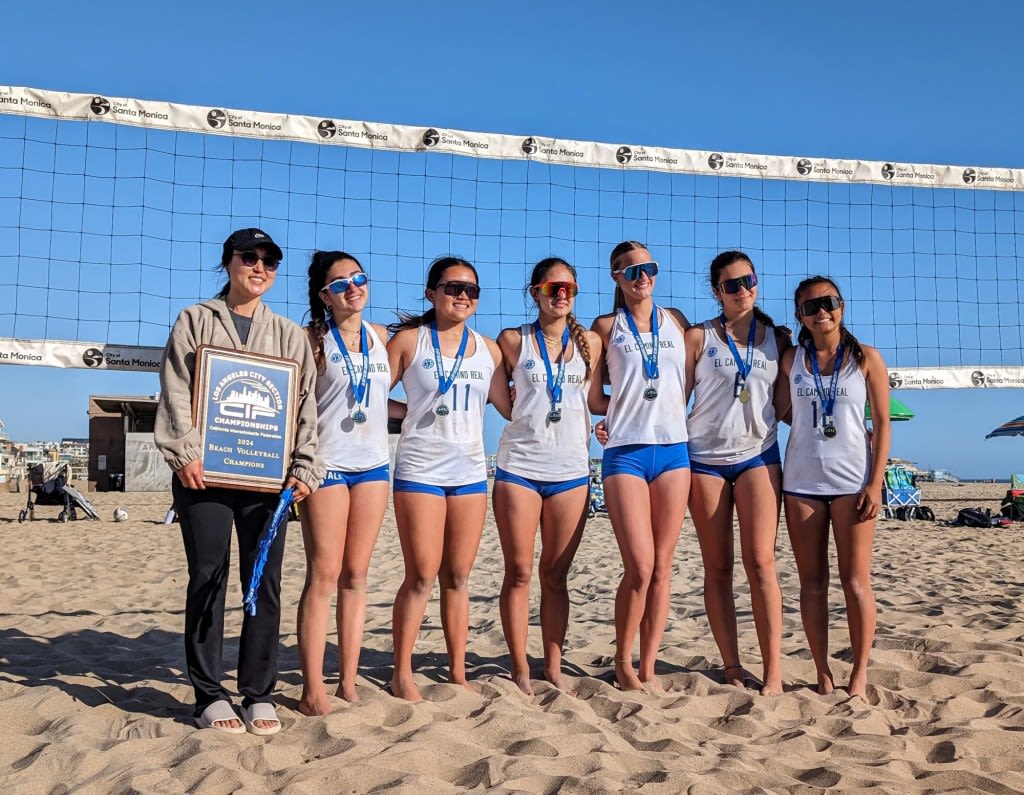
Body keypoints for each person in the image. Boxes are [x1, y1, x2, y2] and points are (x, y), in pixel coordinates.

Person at [154, 228, 323, 735]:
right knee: (208, 576)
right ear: (228, 262)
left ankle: (258, 693)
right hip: (203, 474)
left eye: (270, 261)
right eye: (249, 257)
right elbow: (174, 389)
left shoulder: (290, 335)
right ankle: (208, 694)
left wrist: (304, 466)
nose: (260, 267)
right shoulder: (194, 320)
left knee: (262, 583)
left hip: (266, 480)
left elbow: (305, 408)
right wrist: (183, 452)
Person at [386, 256, 512, 701]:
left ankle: (457, 671)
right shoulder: (408, 342)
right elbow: (364, 393)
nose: (462, 296)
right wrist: (408, 413)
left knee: (458, 576)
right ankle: (402, 673)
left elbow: (510, 407)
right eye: (453, 287)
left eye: (471, 290)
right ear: (431, 293)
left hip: (470, 472)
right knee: (421, 574)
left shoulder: (488, 349)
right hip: (420, 468)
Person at [774, 275, 890, 697]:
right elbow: (783, 413)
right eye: (811, 306)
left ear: (841, 306)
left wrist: (875, 484)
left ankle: (858, 673)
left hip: (852, 482)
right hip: (802, 482)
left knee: (855, 581)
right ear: (799, 315)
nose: (822, 311)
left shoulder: (867, 359)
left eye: (829, 302)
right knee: (811, 583)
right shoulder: (791, 360)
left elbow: (883, 424)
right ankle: (822, 672)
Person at [684, 250, 791, 695]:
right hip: (704, 459)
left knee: (762, 564)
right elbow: (674, 400)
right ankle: (731, 665)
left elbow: (787, 407)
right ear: (716, 292)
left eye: (748, 281)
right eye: (731, 285)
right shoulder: (698, 337)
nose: (742, 289)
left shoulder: (778, 339)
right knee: (718, 568)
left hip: (758, 455)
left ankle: (773, 672)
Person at [493, 257, 601, 695]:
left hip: (571, 470)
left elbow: (596, 401)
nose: (561, 294)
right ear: (535, 290)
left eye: (569, 288)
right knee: (519, 572)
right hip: (520, 467)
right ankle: (520, 667)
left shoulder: (591, 341)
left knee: (556, 574)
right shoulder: (513, 340)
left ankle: (552, 666)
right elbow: (502, 401)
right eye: (553, 287)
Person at [589, 240, 690, 692]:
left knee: (663, 567)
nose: (641, 276)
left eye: (648, 267)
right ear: (616, 278)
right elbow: (594, 398)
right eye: (631, 271)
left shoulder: (678, 322)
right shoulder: (606, 326)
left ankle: (648, 665)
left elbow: (695, 383)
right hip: (626, 451)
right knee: (640, 566)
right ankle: (622, 659)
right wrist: (615, 416)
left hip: (674, 450)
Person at [295, 251, 391, 713]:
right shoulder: (311, 339)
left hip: (374, 465)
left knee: (357, 576)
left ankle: (348, 682)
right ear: (324, 295)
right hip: (325, 465)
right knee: (324, 575)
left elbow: (379, 402)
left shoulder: (383, 338)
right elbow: (296, 405)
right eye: (340, 284)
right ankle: (313, 689)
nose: (353, 288)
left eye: (359, 279)